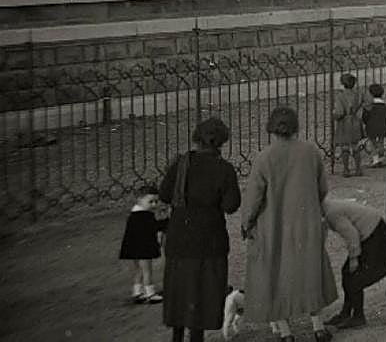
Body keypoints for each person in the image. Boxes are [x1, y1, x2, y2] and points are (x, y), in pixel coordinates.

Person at [241, 106, 339, 342]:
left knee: (275, 274)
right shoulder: (311, 152)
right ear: (296, 127)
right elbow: (322, 189)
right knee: (309, 271)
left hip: (273, 226)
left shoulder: (264, 158)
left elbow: (253, 198)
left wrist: (247, 223)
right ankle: (317, 327)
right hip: (306, 223)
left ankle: (286, 333)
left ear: (271, 129)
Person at [158, 118, 241, 342]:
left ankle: (176, 337)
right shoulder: (224, 169)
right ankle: (197, 338)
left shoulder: (181, 164)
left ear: (196, 138)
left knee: (179, 291)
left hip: (179, 237)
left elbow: (165, 194)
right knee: (203, 293)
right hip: (209, 240)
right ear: (222, 141)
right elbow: (231, 205)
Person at [323, 196, 386, 330]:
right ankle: (345, 313)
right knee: (346, 272)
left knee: (355, 275)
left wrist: (354, 258)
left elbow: (352, 235)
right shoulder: (328, 206)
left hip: (375, 234)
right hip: (371, 231)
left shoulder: (331, 214)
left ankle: (358, 316)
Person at [118, 185, 167, 305]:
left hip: (133, 247)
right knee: (147, 270)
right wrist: (166, 221)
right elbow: (155, 227)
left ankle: (137, 292)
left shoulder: (134, 214)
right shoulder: (144, 216)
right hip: (143, 248)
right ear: (139, 200)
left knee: (138, 270)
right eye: (151, 201)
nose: (154, 204)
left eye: (156, 201)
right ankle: (150, 293)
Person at [332, 73, 365, 178]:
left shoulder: (340, 96)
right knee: (355, 146)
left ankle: (346, 169)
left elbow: (340, 112)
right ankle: (358, 168)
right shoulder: (357, 94)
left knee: (345, 146)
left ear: (342, 84)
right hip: (355, 121)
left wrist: (334, 115)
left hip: (344, 122)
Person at [361, 83, 386, 168]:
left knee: (373, 143)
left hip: (371, 127)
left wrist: (366, 123)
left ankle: (375, 160)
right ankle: (381, 158)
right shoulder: (385, 106)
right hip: (382, 127)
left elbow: (365, 117)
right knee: (381, 142)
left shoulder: (369, 106)